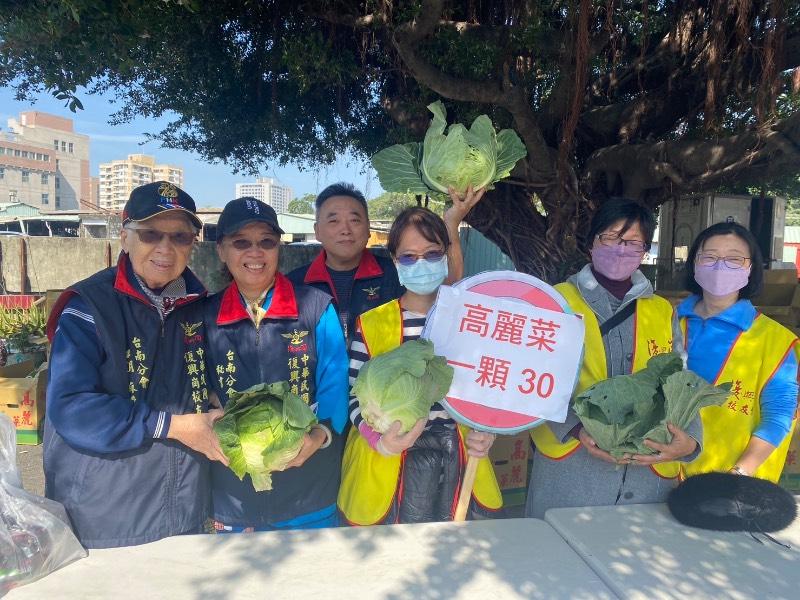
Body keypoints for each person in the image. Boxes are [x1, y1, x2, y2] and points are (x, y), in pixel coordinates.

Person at [44, 181, 227, 548]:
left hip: (185, 512)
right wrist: (171, 425)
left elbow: (203, 379)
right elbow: (71, 407)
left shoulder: (200, 306)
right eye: (150, 234)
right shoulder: (89, 306)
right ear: (125, 237)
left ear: (193, 244)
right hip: (105, 517)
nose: (165, 247)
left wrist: (215, 399)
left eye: (179, 236)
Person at [526, 199, 701, 519]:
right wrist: (576, 428)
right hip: (572, 471)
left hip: (646, 479)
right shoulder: (555, 300)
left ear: (645, 250)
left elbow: (681, 382)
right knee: (558, 556)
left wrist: (690, 443)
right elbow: (529, 378)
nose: (621, 249)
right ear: (591, 243)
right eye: (610, 237)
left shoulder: (661, 310)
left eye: (633, 242)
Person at [339, 196, 502, 526]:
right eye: (409, 257)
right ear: (395, 262)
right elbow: (352, 396)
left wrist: (488, 432)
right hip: (386, 464)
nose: (421, 263)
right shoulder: (372, 323)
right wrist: (379, 441)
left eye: (431, 254)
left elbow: (491, 389)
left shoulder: (472, 320)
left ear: (446, 254)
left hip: (461, 459)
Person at [204, 197, 349, 532]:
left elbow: (336, 385)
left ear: (278, 249)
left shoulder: (315, 308)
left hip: (310, 494)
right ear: (221, 250)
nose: (255, 253)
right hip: (234, 499)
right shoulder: (200, 317)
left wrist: (318, 435)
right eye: (241, 242)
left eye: (267, 242)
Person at [678, 222, 798, 482]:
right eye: (709, 256)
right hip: (656, 475)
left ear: (750, 268)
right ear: (694, 264)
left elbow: (778, 416)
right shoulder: (665, 322)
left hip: (729, 482)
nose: (720, 266)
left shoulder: (774, 340)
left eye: (734, 259)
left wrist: (739, 473)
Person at [287, 182, 470, 343]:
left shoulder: (398, 271)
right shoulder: (293, 285)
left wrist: (452, 224)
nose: (346, 230)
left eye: (354, 220)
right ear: (317, 231)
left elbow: (448, 286)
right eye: (334, 221)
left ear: (368, 228)